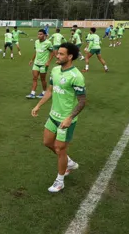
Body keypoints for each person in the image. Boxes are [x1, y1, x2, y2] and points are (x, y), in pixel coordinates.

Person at [31, 42, 86, 193]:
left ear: (70, 57)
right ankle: (68, 162)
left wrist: (70, 117)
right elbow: (49, 91)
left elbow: (82, 100)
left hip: (65, 120)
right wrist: (38, 106)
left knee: (60, 148)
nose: (57, 55)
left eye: (61, 54)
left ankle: (60, 181)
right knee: (47, 142)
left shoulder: (76, 76)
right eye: (58, 52)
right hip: (53, 116)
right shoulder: (55, 70)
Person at [26, 29, 54, 99]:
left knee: (42, 79)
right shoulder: (36, 42)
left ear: (44, 35)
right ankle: (32, 93)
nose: (39, 35)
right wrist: (32, 60)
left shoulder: (48, 43)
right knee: (34, 78)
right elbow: (36, 51)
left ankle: (44, 92)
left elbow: (52, 52)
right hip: (36, 63)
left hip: (43, 64)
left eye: (41, 34)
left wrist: (48, 62)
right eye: (38, 34)